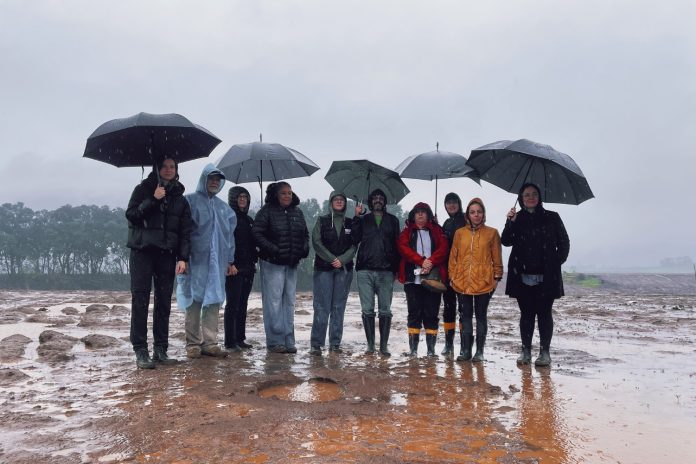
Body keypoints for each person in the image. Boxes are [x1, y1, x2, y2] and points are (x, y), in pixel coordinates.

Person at [125, 157, 191, 369]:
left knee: (163, 303)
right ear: (157, 168)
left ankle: (161, 350)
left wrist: (183, 258)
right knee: (141, 300)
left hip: (167, 254)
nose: (169, 170)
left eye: (172, 166)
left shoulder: (180, 199)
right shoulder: (142, 190)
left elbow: (185, 232)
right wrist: (153, 199)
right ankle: (141, 350)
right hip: (142, 251)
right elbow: (132, 216)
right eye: (164, 166)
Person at [501, 183, 570, 366]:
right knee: (526, 315)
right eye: (526, 195)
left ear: (539, 197)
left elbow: (564, 242)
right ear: (521, 198)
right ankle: (525, 351)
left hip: (547, 277)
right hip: (522, 276)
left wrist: (556, 262)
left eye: (534, 194)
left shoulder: (552, 217)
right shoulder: (517, 218)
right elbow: (506, 241)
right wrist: (510, 221)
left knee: (545, 314)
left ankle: (544, 352)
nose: (530, 197)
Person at [177, 164, 237, 359]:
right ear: (204, 179)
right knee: (194, 301)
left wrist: (230, 261)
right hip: (195, 260)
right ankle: (193, 343)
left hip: (218, 262)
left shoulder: (225, 209)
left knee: (214, 301)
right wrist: (183, 257)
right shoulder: (189, 202)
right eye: (211, 178)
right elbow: (183, 232)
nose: (214, 182)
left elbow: (229, 237)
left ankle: (210, 343)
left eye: (217, 180)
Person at [252, 182, 309, 354]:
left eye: (289, 193)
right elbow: (256, 233)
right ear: (276, 195)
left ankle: (289, 341)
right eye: (283, 193)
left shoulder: (297, 212)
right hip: (272, 263)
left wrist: (304, 249)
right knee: (273, 302)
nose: (287, 196)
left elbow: (305, 234)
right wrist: (273, 249)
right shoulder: (266, 211)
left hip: (291, 263)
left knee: (289, 302)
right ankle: (275, 342)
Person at [448, 198, 503, 362]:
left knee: (481, 316)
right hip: (462, 281)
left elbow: (497, 258)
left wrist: (496, 278)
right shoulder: (459, 233)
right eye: (472, 212)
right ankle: (465, 351)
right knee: (465, 316)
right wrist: (452, 277)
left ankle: (479, 352)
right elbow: (453, 257)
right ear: (468, 215)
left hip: (484, 282)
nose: (476, 215)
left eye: (479, 212)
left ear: (483, 214)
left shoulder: (492, 233)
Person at [352, 189, 401, 356]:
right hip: (364, 270)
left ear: (384, 202)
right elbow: (354, 238)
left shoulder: (393, 220)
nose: (378, 200)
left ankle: (384, 346)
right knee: (367, 310)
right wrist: (356, 217)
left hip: (386, 271)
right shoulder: (363, 220)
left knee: (385, 310)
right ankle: (370, 346)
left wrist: (397, 269)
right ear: (370, 202)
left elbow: (398, 245)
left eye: (381, 198)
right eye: (375, 198)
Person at [397, 202, 449, 357]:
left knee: (431, 313)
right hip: (412, 280)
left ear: (429, 215)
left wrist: (430, 261)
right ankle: (413, 350)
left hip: (433, 279)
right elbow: (403, 248)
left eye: (423, 212)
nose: (420, 214)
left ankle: (431, 351)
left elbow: (444, 248)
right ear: (413, 215)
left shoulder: (437, 231)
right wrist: (421, 261)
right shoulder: (406, 232)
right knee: (414, 313)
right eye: (417, 212)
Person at [309, 191, 357, 356]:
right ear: (331, 203)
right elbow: (316, 242)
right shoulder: (321, 220)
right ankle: (316, 344)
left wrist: (342, 260)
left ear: (345, 203)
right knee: (321, 307)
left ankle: (335, 344)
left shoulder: (350, 223)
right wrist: (332, 259)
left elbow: (354, 245)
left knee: (338, 307)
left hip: (344, 270)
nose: (339, 202)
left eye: (342, 200)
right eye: (336, 199)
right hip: (323, 269)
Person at [224, 186, 258, 352]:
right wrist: (229, 263)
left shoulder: (250, 220)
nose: (243, 199)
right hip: (234, 268)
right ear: (233, 199)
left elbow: (253, 243)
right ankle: (230, 341)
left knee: (243, 304)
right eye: (240, 197)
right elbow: (226, 242)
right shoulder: (228, 218)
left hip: (249, 267)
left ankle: (240, 338)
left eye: (245, 197)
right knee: (232, 305)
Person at [440, 192, 468, 356]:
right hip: (448, 271)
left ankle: (464, 345)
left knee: (464, 309)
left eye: (454, 202)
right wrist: (436, 226)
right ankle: (448, 344)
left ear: (459, 203)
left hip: (463, 271)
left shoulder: (466, 220)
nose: (451, 205)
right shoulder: (446, 223)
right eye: (448, 203)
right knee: (448, 308)